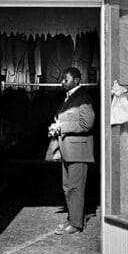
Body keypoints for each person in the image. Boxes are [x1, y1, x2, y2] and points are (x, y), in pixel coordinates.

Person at [49, 67, 95, 234]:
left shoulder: (83, 97)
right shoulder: (70, 97)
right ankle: (72, 219)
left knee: (75, 188)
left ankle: (76, 224)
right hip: (69, 150)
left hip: (79, 152)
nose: (62, 82)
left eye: (65, 79)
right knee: (68, 187)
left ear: (76, 80)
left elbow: (87, 124)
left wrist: (62, 127)